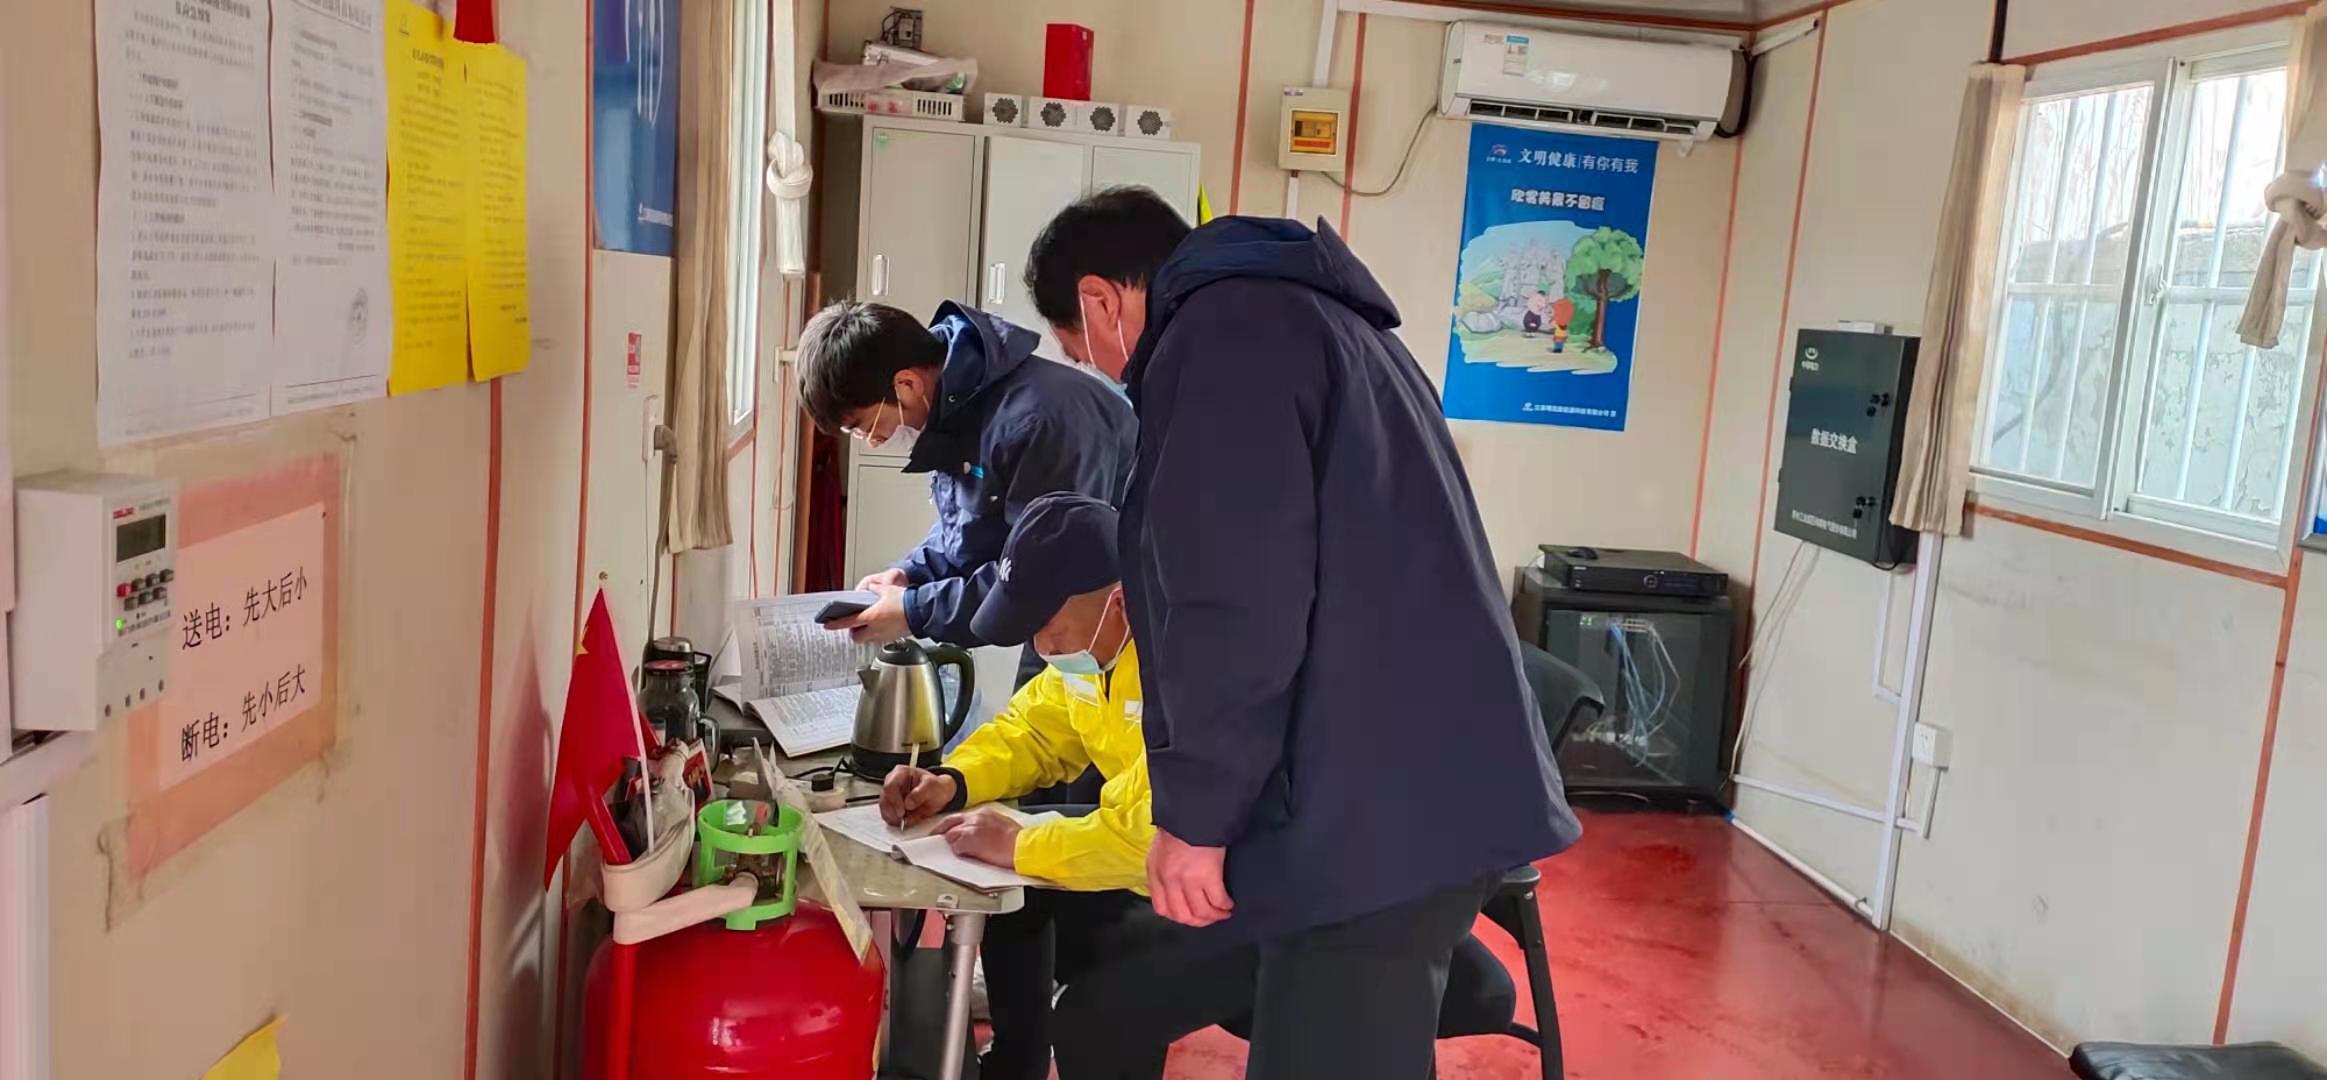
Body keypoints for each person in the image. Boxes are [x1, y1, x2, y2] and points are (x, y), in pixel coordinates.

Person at [1023, 187, 1582, 1079]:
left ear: (1099, 302)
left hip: (1371, 806)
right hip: (1403, 786)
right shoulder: (1319, 321)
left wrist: (1196, 819)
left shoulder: (1221, 340)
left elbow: (1231, 601)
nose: (1096, 369)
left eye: (1074, 347)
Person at [879, 492, 1170, 1080]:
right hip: (1141, 846)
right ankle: (1016, 1065)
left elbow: (1154, 830)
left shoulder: (1180, 666)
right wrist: (952, 781)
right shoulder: (1095, 653)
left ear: (1119, 601)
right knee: (1011, 891)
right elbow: (1032, 732)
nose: (1042, 648)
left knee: (1100, 1016)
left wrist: (1019, 844)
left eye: (1049, 627)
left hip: (1223, 879)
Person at [796, 299, 1134, 689]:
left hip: (1115, 621)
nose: (873, 442)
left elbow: (1044, 580)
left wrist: (913, 611)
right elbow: (967, 527)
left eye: (866, 427)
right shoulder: (957, 411)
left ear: (907, 385)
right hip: (1068, 616)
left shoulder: (1039, 422)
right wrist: (912, 574)